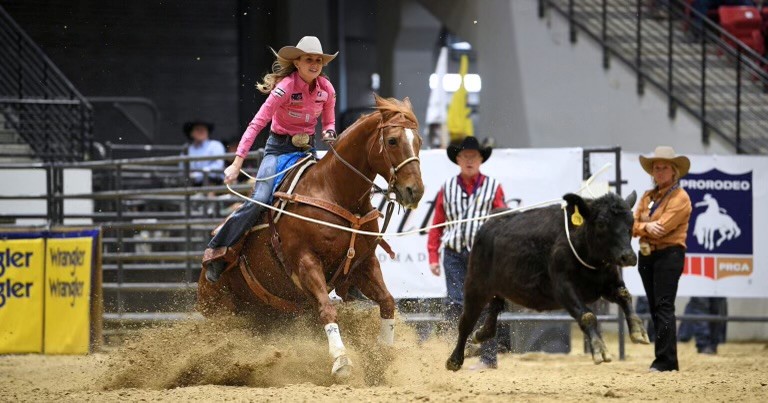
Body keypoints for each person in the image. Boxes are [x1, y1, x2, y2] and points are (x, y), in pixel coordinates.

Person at [203, 36, 338, 283]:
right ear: (297, 62)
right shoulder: (285, 87)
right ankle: (219, 251)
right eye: (309, 59)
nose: (315, 64)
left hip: (307, 150)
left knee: (328, 200)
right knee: (260, 199)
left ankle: (343, 271)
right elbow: (257, 123)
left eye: (318, 60)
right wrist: (237, 162)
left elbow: (328, 121)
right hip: (277, 150)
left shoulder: (326, 90)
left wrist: (329, 131)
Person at [427, 136, 507, 370]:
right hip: (453, 252)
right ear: (458, 160)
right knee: (455, 302)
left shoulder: (494, 187)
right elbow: (437, 224)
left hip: (483, 255)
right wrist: (433, 255)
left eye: (474, 156)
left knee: (486, 302)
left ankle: (488, 358)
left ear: (481, 159)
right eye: (465, 156)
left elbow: (502, 221)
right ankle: (456, 348)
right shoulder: (447, 188)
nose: (469, 160)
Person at [633, 146, 693, 372]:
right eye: (656, 168)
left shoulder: (681, 197)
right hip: (648, 255)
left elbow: (664, 227)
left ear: (674, 171)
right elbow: (632, 224)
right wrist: (646, 226)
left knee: (664, 306)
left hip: (669, 254)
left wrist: (641, 227)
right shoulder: (648, 196)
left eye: (664, 168)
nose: (659, 172)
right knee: (655, 307)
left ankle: (665, 361)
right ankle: (667, 360)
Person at [182, 120, 226, 186]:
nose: (201, 131)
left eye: (204, 129)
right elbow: (183, 169)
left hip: (214, 183)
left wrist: (197, 174)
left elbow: (218, 166)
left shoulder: (216, 145)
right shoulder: (187, 149)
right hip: (192, 184)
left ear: (208, 132)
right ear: (191, 133)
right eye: (198, 129)